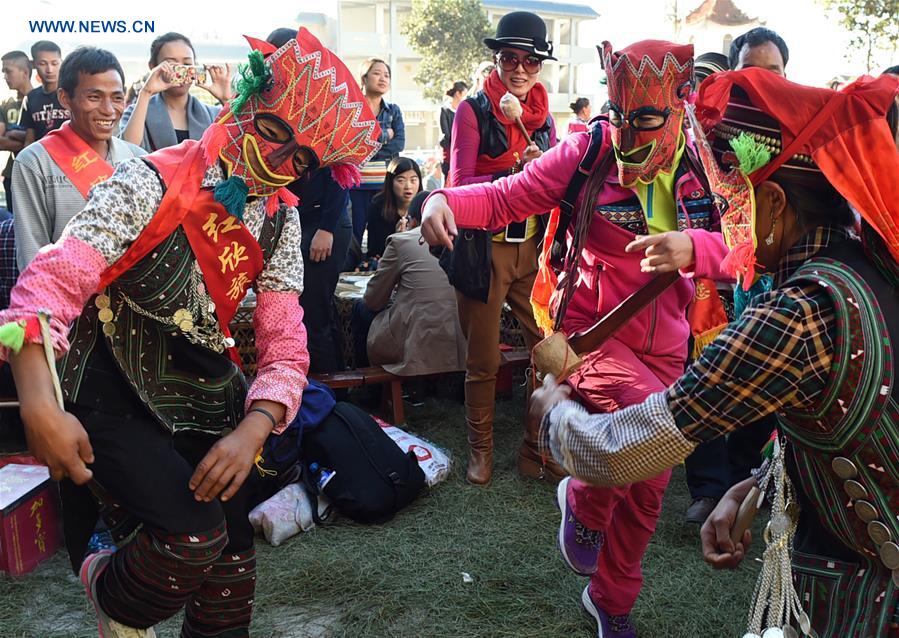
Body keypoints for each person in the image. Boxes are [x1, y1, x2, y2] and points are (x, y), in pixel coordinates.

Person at [0, 29, 379, 637]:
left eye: (304, 159)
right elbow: (50, 280)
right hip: (109, 382)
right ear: (247, 104)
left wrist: (254, 427)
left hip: (202, 390)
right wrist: (39, 402)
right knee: (190, 541)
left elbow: (285, 340)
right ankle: (106, 585)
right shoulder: (150, 180)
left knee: (233, 568)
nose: (282, 162)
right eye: (278, 131)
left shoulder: (280, 220)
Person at [529, 68, 899, 638]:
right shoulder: (872, 266)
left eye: (737, 207)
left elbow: (623, 452)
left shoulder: (796, 314)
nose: (730, 228)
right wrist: (754, 485)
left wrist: (554, 414)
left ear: (773, 203)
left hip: (867, 604)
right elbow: (851, 421)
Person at [422, 39, 730, 633]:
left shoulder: (709, 165)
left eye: (644, 119)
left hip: (667, 345)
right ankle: (587, 502)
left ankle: (610, 600)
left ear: (679, 106)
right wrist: (443, 196)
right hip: (589, 337)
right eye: (618, 116)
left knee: (653, 472)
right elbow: (508, 194)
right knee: (652, 427)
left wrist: (698, 247)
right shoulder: (588, 151)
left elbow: (750, 245)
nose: (628, 134)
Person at [441, 11, 559, 486]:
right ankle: (481, 450)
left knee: (549, 353)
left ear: (540, 66)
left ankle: (534, 448)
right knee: (483, 360)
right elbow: (459, 184)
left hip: (531, 250)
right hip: (483, 250)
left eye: (530, 61)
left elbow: (557, 187)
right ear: (496, 59)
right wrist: (515, 173)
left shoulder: (546, 117)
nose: (519, 69)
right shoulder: (472, 110)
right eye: (509, 57)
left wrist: (546, 166)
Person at [267, 27, 355, 376]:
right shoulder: (272, 99)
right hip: (290, 219)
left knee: (314, 312)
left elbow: (341, 168)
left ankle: (329, 394)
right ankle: (315, 389)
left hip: (324, 222)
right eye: (273, 56)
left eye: (286, 54)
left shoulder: (323, 97)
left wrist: (327, 230)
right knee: (296, 310)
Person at [11, 47, 145, 272]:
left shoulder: (138, 159)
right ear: (65, 98)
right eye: (94, 97)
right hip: (68, 300)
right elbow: (31, 255)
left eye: (117, 98)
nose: (108, 110)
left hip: (133, 301)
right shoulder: (34, 162)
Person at [680, 48, 732, 525]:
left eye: (707, 86)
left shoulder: (738, 143)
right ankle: (707, 487)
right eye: (691, 86)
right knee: (697, 375)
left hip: (740, 276)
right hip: (685, 279)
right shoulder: (671, 143)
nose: (697, 97)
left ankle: (729, 483)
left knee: (725, 377)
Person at [353, 190, 467, 376]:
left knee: (361, 310)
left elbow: (373, 300)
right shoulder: (462, 238)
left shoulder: (402, 241)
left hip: (416, 339)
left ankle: (369, 386)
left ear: (412, 220)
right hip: (463, 337)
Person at [119, 32, 230, 152]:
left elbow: (242, 147)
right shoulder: (136, 113)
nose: (181, 70)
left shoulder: (214, 114)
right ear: (153, 67)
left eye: (187, 64)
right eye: (172, 64)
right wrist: (146, 92)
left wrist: (226, 100)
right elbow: (126, 152)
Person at [349, 58, 405, 244]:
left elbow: (398, 144)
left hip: (385, 184)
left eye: (387, 75)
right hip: (356, 184)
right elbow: (350, 144)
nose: (383, 78)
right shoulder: (352, 109)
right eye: (377, 73)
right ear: (363, 79)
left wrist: (366, 146)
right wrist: (383, 136)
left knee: (381, 236)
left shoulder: (393, 111)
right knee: (354, 234)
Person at [365, 156, 422, 261]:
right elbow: (375, 250)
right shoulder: (378, 206)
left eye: (413, 180)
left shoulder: (425, 204)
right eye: (401, 180)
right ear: (390, 182)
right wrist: (396, 238)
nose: (408, 186)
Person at [19, 41, 69, 148]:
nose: (49, 70)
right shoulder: (31, 98)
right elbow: (29, 139)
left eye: (54, 63)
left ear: (62, 62)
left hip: (72, 158)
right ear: (33, 65)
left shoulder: (72, 93)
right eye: (42, 63)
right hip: (42, 157)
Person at [0, 50, 33, 213]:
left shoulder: (39, 101)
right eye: (3, 72)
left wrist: (12, 134)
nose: (5, 77)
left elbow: (45, 138)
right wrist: (28, 139)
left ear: (25, 72)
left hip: (36, 177)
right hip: (11, 175)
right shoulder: (5, 104)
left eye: (8, 71)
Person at [440, 80, 468, 180]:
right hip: (449, 154)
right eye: (464, 94)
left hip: (462, 153)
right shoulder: (445, 110)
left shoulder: (465, 111)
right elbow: (445, 134)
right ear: (458, 94)